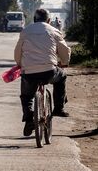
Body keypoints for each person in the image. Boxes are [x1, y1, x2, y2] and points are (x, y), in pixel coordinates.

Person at [14, 8, 71, 137]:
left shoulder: (25, 31)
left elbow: (18, 52)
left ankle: (29, 119)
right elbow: (64, 50)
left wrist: (19, 63)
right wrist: (64, 62)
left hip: (29, 73)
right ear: (49, 20)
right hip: (49, 71)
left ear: (34, 19)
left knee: (27, 96)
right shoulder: (54, 30)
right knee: (62, 76)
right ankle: (59, 107)